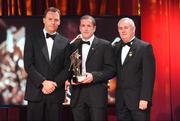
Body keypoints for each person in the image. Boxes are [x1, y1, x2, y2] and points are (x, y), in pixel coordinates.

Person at [23, 7, 69, 121]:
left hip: (56, 94)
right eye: (50, 19)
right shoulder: (31, 38)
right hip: (35, 92)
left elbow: (68, 68)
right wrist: (43, 82)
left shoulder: (66, 42)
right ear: (44, 20)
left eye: (56, 19)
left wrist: (54, 84)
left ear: (59, 21)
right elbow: (28, 65)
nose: (53, 22)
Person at [68, 15, 116, 121]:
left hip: (97, 96)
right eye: (83, 26)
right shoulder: (73, 46)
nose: (85, 28)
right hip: (77, 96)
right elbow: (69, 67)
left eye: (89, 26)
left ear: (94, 28)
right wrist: (71, 79)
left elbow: (111, 70)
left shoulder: (105, 45)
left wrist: (93, 76)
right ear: (79, 28)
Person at [114, 17, 156, 121]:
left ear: (133, 29)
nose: (123, 31)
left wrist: (145, 98)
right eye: (120, 28)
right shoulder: (115, 47)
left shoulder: (144, 47)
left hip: (138, 101)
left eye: (126, 28)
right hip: (121, 102)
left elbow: (148, 76)